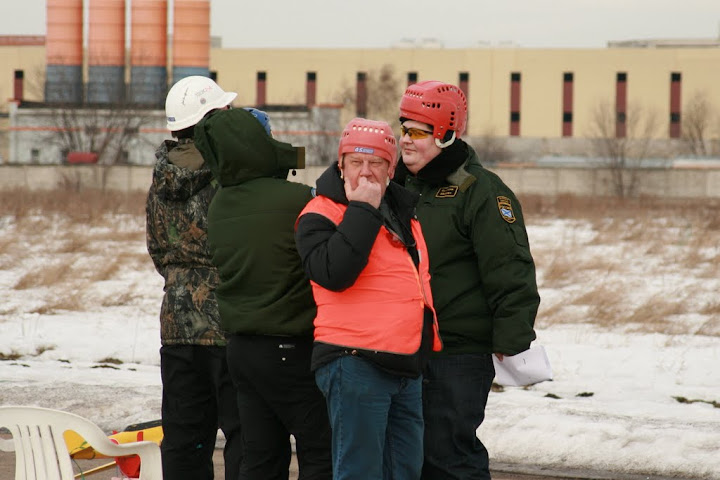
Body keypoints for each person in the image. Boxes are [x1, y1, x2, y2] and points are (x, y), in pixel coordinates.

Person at [394, 80, 540, 480]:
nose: (405, 140)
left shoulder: (480, 191)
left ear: (446, 135)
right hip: (401, 348)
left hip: (457, 352)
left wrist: (511, 341)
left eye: (418, 133)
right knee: (407, 457)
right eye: (403, 129)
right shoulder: (396, 186)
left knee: (449, 456)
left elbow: (510, 270)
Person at [295, 118, 443, 480]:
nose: (365, 172)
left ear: (391, 169)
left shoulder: (403, 212)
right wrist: (362, 210)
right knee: (359, 471)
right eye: (356, 162)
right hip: (355, 362)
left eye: (376, 162)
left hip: (405, 364)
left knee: (405, 470)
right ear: (340, 165)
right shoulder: (320, 213)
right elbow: (333, 273)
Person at [193, 107, 333, 480]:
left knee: (262, 456)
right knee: (321, 450)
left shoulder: (220, 204)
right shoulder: (296, 199)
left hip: (242, 350)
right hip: (290, 346)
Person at [145, 75, 242, 480]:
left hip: (177, 326)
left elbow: (158, 250)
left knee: (185, 440)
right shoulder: (230, 174)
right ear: (210, 121)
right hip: (227, 325)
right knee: (243, 436)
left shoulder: (161, 179)